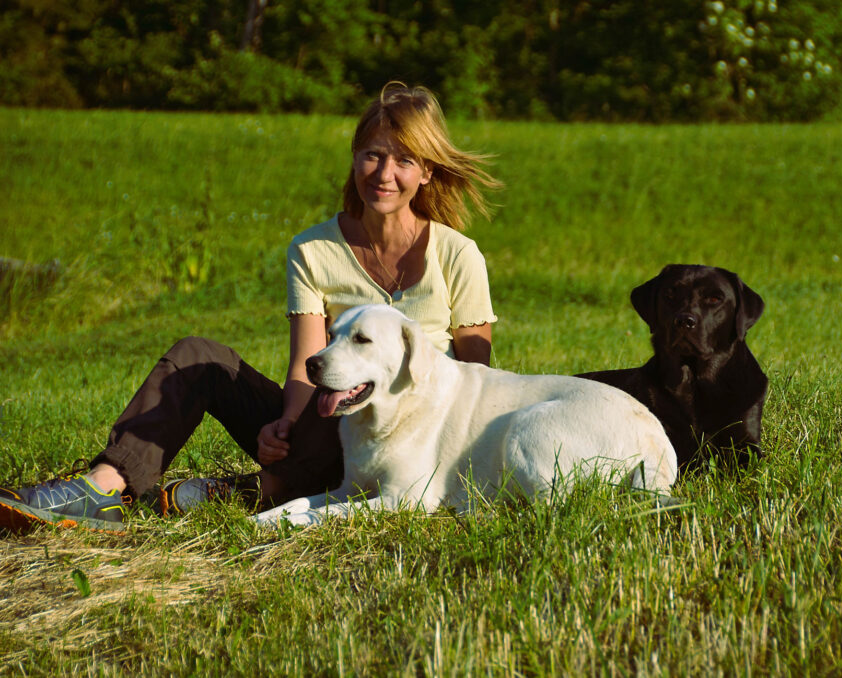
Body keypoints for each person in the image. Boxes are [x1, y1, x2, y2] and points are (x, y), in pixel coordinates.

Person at [0, 82, 501, 534]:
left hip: (411, 434)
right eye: (372, 155)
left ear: (428, 172)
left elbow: (474, 380)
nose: (384, 174)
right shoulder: (313, 249)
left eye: (404, 161)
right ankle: (101, 489)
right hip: (326, 414)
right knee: (197, 356)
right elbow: (308, 364)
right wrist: (285, 425)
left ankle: (252, 491)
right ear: (354, 159)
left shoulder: (458, 255)